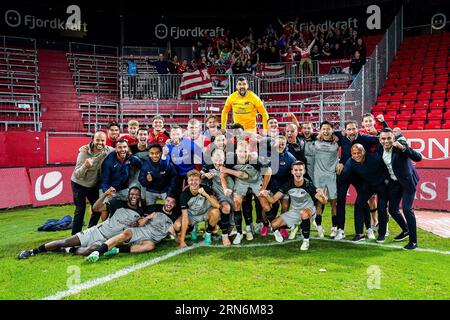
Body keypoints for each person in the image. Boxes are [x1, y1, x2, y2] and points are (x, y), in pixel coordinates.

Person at [18, 187, 145, 259]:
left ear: (140, 197)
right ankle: (32, 251)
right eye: (132, 194)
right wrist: (104, 195)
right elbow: (95, 208)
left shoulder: (141, 212)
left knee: (90, 250)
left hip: (107, 240)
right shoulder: (118, 204)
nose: (134, 196)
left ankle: (68, 250)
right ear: (128, 195)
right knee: (64, 241)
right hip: (96, 231)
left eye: (136, 194)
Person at [85, 196, 179, 262]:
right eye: (168, 201)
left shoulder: (175, 216)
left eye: (172, 202)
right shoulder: (154, 208)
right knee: (124, 235)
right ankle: (97, 252)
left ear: (174, 205)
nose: (169, 204)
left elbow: (178, 240)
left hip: (151, 239)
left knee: (150, 246)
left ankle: (117, 250)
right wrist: (148, 217)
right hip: (140, 231)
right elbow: (138, 224)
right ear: (164, 201)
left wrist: (174, 234)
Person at [260, 161, 328, 251]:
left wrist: (323, 195)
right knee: (274, 224)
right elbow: (273, 200)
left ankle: (306, 241)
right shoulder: (287, 185)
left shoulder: (308, 185)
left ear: (304, 171)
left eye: (300, 170)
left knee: (303, 213)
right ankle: (295, 225)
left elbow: (324, 202)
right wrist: (266, 195)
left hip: (309, 209)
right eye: (296, 170)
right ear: (292, 172)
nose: (298, 172)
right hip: (295, 211)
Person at [333, 120, 380, 240]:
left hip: (360, 175)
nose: (352, 132)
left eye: (353, 129)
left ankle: (369, 229)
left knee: (362, 201)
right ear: (345, 130)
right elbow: (328, 132)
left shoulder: (365, 138)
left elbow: (381, 138)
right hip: (344, 174)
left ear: (357, 129)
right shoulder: (341, 136)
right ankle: (340, 230)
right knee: (340, 202)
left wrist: (378, 131)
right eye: (349, 129)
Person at [220, 140, 272, 244]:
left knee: (266, 206)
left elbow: (268, 171)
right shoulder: (231, 159)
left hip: (256, 180)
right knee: (236, 204)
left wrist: (263, 188)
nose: (242, 154)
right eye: (240, 151)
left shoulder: (254, 159)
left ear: (248, 151)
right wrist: (225, 188)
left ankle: (271, 226)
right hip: (242, 182)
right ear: (236, 151)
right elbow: (222, 173)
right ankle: (240, 232)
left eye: (245, 151)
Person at [378, 129, 422, 250]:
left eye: (389, 138)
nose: (386, 141)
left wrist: (403, 148)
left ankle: (413, 242)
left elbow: (418, 158)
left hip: (408, 182)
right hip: (395, 183)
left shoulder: (400, 147)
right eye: (383, 138)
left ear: (393, 139)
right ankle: (406, 230)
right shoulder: (379, 148)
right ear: (379, 140)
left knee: (407, 209)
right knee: (393, 210)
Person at [341, 144, 389, 242]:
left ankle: (382, 234)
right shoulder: (350, 162)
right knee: (358, 204)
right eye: (354, 153)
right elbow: (345, 175)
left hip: (381, 184)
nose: (357, 155)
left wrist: (387, 181)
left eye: (359, 153)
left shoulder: (374, 158)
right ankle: (359, 234)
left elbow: (386, 168)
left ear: (364, 152)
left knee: (381, 208)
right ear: (351, 154)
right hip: (368, 185)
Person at [70, 131, 114, 235]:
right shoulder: (84, 152)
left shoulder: (108, 150)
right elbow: (77, 174)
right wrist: (85, 166)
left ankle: (90, 232)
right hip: (79, 184)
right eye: (97, 140)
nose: (100, 142)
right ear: (93, 140)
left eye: (102, 140)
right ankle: (75, 236)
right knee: (80, 210)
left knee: (97, 208)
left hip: (93, 185)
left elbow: (121, 150)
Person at [175, 170, 221, 248]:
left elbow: (217, 205)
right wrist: (182, 241)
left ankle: (208, 233)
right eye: (191, 180)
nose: (194, 182)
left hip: (205, 213)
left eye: (196, 180)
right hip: (192, 216)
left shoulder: (206, 188)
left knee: (216, 212)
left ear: (200, 181)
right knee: (177, 225)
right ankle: (193, 227)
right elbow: (185, 217)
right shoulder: (184, 195)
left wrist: (205, 195)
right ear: (188, 181)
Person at [201, 149, 233, 246]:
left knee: (230, 223)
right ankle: (223, 235)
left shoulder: (228, 166)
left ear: (225, 158)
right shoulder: (208, 166)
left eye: (221, 160)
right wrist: (204, 175)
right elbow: (199, 175)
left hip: (229, 193)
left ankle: (221, 229)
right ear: (211, 158)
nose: (218, 162)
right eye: (216, 160)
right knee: (225, 208)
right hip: (216, 195)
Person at [312, 121, 339, 238]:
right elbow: (305, 133)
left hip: (332, 176)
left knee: (334, 202)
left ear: (332, 130)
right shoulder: (315, 140)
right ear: (320, 130)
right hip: (318, 176)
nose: (326, 131)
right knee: (319, 201)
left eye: (328, 129)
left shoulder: (338, 141)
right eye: (323, 129)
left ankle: (334, 227)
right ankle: (319, 227)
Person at [100, 139, 142, 207]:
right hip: (109, 188)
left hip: (123, 188)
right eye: (120, 147)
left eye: (125, 147)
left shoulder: (131, 158)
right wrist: (107, 192)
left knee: (133, 203)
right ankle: (106, 217)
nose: (122, 149)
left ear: (127, 148)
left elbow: (142, 165)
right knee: (104, 207)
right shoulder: (109, 161)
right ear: (116, 149)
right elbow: (105, 180)